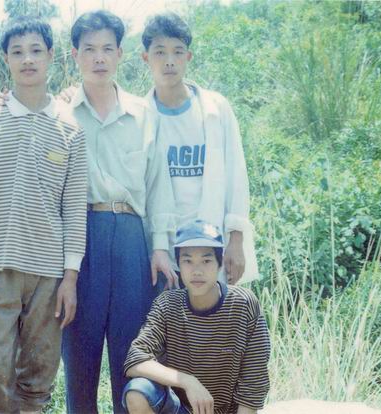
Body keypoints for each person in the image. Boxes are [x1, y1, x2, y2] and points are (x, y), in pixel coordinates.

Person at [0, 16, 87, 414]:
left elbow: (74, 210)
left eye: (35, 51)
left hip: (49, 275)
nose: (27, 59)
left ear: (51, 56)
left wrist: (70, 278)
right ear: (6, 59)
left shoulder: (71, 129)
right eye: (17, 52)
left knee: (38, 380)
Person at [60, 11, 177, 413]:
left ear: (120, 54)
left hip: (131, 238)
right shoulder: (61, 113)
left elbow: (159, 186)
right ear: (75, 55)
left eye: (107, 48)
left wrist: (159, 247)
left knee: (132, 354)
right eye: (89, 49)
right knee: (79, 353)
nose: (99, 58)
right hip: (81, 238)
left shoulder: (143, 114)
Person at [141, 12, 258, 286]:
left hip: (212, 243)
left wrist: (236, 239)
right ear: (145, 57)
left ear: (189, 57)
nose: (169, 61)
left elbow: (237, 176)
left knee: (218, 312)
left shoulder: (216, 109)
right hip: (164, 249)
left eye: (177, 51)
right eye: (160, 52)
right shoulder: (139, 116)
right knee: (167, 312)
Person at [123, 220, 271, 414]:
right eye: (188, 261)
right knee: (137, 392)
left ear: (220, 263)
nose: (197, 271)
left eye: (206, 261)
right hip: (181, 409)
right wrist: (187, 381)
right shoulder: (167, 305)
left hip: (226, 411)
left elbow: (254, 381)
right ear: (178, 264)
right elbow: (135, 360)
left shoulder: (243, 304)